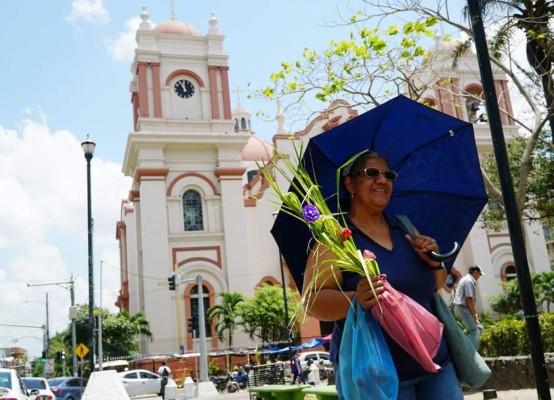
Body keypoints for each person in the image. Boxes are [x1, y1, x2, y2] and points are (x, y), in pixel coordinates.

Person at [303, 152, 464, 400]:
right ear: (350, 184)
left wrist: (433, 263)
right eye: (372, 173)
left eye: (388, 175)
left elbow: (435, 285)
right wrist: (356, 299)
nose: (382, 180)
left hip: (437, 367)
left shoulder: (405, 228)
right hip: (379, 378)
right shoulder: (336, 239)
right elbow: (313, 301)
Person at [452, 265, 485, 350]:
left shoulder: (466, 279)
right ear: (475, 272)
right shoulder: (469, 281)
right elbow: (469, 299)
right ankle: (470, 353)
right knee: (474, 331)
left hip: (461, 308)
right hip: (463, 308)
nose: (479, 277)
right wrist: (474, 314)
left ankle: (466, 348)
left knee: (479, 328)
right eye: (479, 274)